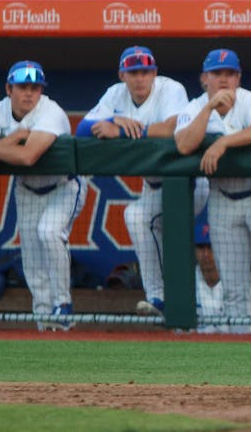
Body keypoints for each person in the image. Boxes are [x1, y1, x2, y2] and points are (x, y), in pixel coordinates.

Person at [174, 48, 251, 333]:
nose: (223, 79)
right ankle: (241, 353)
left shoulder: (250, 100)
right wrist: (208, 108)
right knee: (234, 287)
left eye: (230, 73)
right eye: (216, 74)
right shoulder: (194, 107)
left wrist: (223, 142)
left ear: (238, 78)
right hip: (223, 198)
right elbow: (184, 145)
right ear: (204, 79)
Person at [77, 46, 191, 316]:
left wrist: (122, 132)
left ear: (154, 73)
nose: (140, 78)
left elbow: (174, 128)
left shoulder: (171, 89)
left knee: (141, 218)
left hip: (187, 184)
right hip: (154, 186)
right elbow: (82, 129)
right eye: (133, 72)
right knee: (142, 220)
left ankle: (166, 298)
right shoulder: (114, 94)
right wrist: (114, 118)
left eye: (145, 71)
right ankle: (160, 298)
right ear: (122, 75)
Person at [0, 60, 76, 331]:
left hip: (62, 187)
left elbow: (28, 156)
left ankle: (63, 306)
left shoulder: (51, 111)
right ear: (8, 89)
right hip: (26, 189)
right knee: (32, 260)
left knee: (49, 231)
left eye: (35, 87)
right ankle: (45, 323)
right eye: (22, 87)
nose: (29, 93)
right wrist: (15, 138)